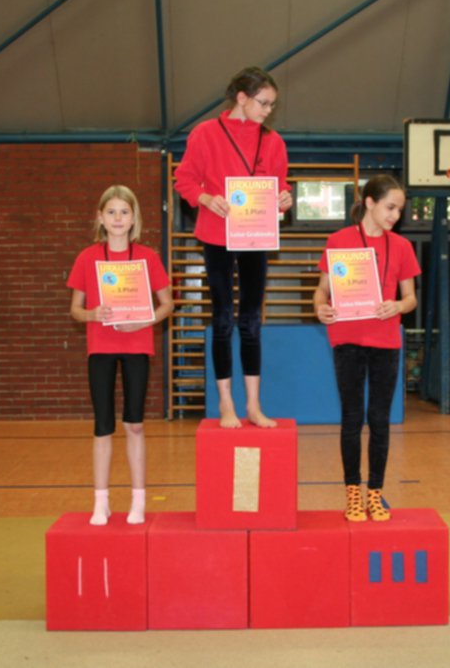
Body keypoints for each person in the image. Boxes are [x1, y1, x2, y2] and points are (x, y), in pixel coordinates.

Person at [174, 66, 292, 429]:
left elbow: (280, 185)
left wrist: (284, 199)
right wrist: (206, 198)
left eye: (272, 104)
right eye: (263, 102)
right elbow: (184, 179)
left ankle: (254, 405)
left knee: (251, 319)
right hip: (217, 234)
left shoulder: (273, 141)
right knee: (223, 317)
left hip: (256, 235)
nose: (268, 110)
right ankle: (226, 403)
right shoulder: (205, 133)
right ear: (242, 98)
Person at [313, 174, 420, 522]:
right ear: (370, 203)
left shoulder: (401, 246)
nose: (395, 215)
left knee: (379, 419)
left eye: (399, 210)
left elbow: (411, 298)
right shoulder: (339, 240)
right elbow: (322, 290)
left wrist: (397, 306)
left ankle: (375, 493)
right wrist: (320, 307)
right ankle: (352, 494)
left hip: (386, 342)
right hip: (347, 340)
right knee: (351, 418)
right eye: (390, 207)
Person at [67, 185, 174, 526]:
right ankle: (101, 502)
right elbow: (75, 309)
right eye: (111, 212)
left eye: (124, 212)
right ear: (100, 217)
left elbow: (167, 304)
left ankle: (138, 500)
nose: (117, 218)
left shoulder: (147, 257)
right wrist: (92, 314)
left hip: (137, 347)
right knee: (102, 426)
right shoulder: (87, 257)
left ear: (133, 219)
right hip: (100, 347)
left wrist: (146, 319)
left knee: (135, 424)